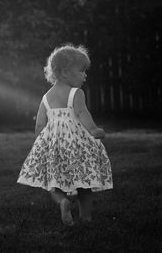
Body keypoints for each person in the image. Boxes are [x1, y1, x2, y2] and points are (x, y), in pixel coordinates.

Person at [16, 43, 113, 226]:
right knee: (84, 182)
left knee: (55, 185)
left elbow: (39, 124)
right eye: (82, 71)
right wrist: (93, 129)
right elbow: (82, 113)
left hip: (55, 147)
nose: (85, 75)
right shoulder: (76, 93)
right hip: (77, 146)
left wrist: (41, 144)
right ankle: (85, 216)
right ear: (65, 72)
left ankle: (63, 201)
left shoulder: (46, 97)